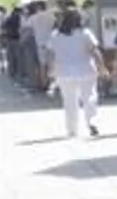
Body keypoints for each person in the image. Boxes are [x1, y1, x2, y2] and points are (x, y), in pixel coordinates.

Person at [44, 8, 104, 139]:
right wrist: (102, 67)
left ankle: (72, 129)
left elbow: (50, 54)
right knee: (89, 97)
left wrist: (50, 69)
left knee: (69, 101)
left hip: (63, 72)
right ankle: (92, 121)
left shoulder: (55, 35)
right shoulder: (85, 33)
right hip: (86, 70)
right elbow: (94, 51)